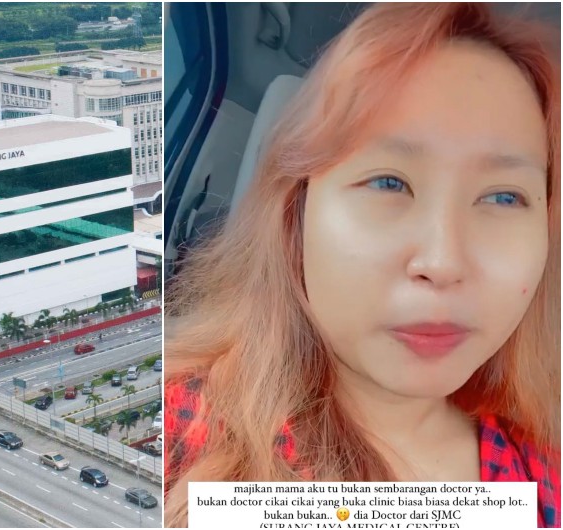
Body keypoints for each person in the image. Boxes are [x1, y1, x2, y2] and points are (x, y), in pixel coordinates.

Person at [163, 3, 560, 528]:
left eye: (504, 197)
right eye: (388, 182)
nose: (442, 263)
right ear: (296, 215)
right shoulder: (179, 432)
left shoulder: (541, 471)